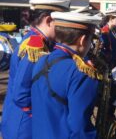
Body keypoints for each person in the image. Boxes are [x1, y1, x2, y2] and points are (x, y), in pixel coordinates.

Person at [1, 0, 70, 139]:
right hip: (25, 123)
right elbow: (22, 95)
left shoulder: (41, 41)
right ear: (49, 20)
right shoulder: (35, 45)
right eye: (62, 23)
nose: (64, 29)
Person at [31, 11, 102, 139]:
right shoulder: (81, 73)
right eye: (91, 40)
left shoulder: (41, 59)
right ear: (83, 40)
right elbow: (80, 128)